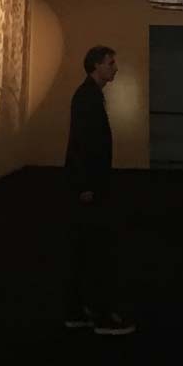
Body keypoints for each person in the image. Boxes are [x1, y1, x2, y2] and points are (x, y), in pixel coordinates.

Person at [63, 46, 134, 336]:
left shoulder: (89, 95)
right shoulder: (87, 97)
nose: (115, 68)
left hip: (90, 184)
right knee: (94, 248)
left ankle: (79, 310)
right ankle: (99, 314)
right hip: (90, 187)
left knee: (87, 247)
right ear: (96, 65)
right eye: (110, 63)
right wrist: (85, 186)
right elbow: (82, 143)